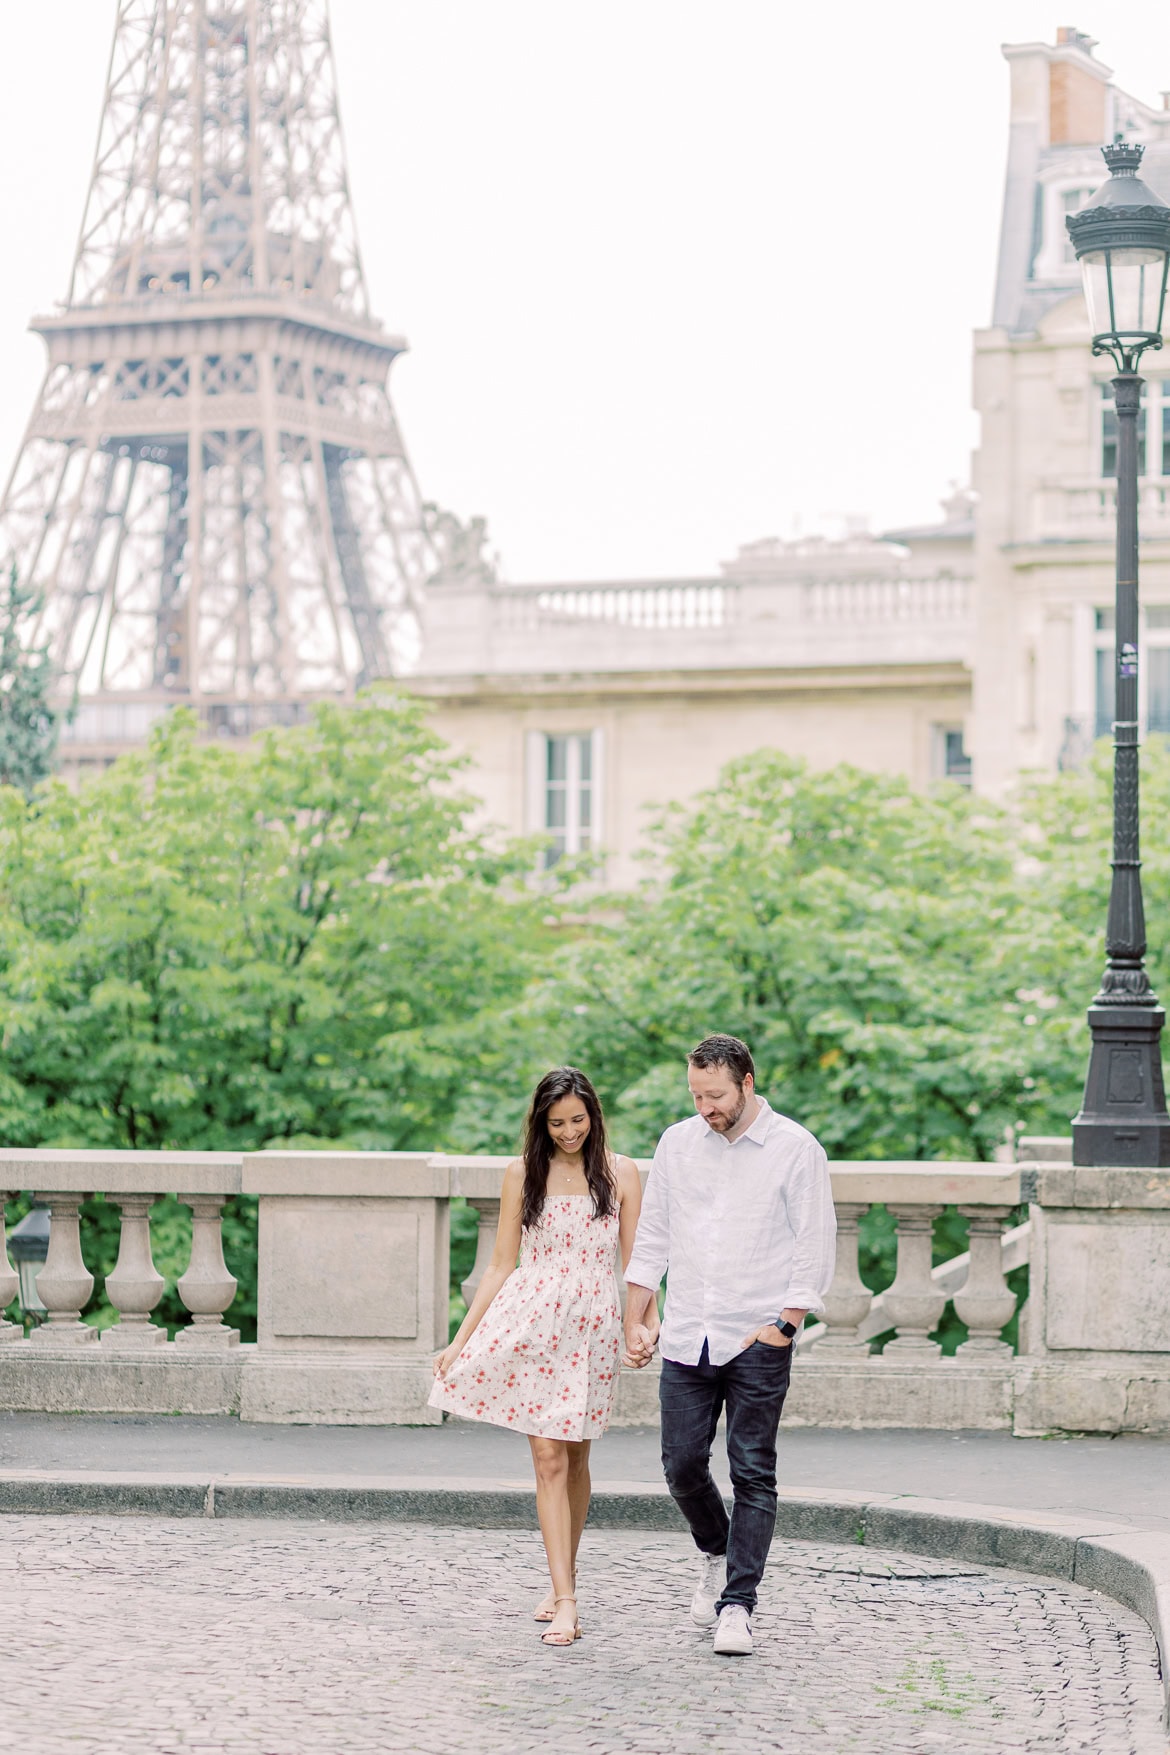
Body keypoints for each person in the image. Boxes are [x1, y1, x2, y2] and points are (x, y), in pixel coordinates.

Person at [623, 1034, 835, 1658]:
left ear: (747, 1083)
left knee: (752, 1470)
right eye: (695, 1095)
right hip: (688, 1332)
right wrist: (635, 1318)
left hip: (758, 1335)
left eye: (714, 1095)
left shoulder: (796, 1149)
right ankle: (715, 1548)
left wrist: (786, 1325)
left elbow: (813, 1243)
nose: (705, 1107)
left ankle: (739, 1604)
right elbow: (653, 1235)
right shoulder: (677, 1143)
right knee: (681, 1465)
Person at [430, 1066, 642, 1648]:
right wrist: (460, 1340)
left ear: (593, 1116)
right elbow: (501, 1264)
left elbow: (636, 1267)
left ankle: (561, 1575)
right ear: (539, 1123)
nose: (569, 1132)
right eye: (557, 1123)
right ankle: (567, 1598)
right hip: (534, 1324)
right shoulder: (522, 1173)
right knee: (547, 1457)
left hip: (593, 1329)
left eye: (578, 1120)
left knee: (575, 1460)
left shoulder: (621, 1172)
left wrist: (645, 1325)